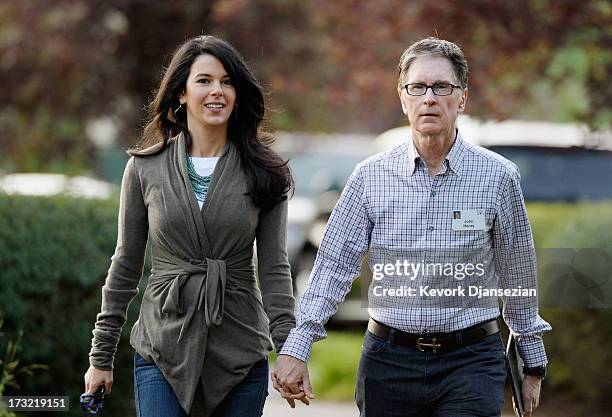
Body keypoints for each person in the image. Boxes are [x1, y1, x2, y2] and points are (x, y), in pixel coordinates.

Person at [273, 37, 551, 417]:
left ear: (462, 98)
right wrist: (297, 347)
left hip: (470, 363)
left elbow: (517, 271)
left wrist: (531, 360)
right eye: (417, 88)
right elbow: (333, 267)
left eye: (442, 87)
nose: (429, 98)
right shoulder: (369, 177)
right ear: (403, 99)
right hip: (388, 364)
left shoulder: (498, 177)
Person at [83, 35, 296, 417]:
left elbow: (275, 269)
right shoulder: (144, 168)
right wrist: (101, 355)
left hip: (240, 351)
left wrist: (289, 351)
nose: (217, 91)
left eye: (227, 81)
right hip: (162, 347)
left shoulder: (266, 172)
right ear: (181, 93)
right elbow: (126, 266)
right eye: (204, 80)